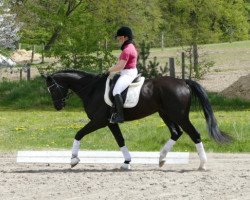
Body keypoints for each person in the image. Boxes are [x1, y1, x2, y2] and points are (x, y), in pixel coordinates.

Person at [108, 26, 138, 123]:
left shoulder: (127, 50)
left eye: (119, 37)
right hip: (128, 71)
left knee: (116, 91)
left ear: (125, 37)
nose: (118, 39)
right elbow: (119, 65)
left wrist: (109, 70)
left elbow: (120, 66)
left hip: (128, 73)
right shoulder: (130, 47)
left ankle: (120, 116)